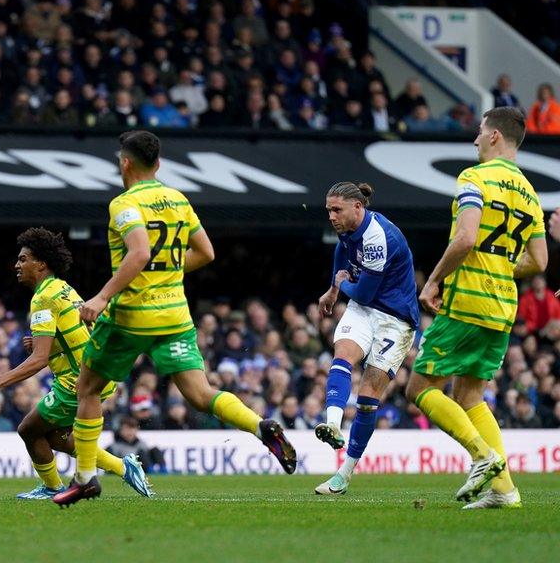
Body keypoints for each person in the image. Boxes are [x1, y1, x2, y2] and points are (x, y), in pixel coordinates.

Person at [53, 131, 296, 507]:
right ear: (159, 164)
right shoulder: (177, 199)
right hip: (175, 315)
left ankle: (85, 477)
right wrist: (167, 276)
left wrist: (102, 296)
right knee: (200, 395)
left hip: (130, 317)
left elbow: (139, 252)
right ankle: (260, 426)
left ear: (125, 162)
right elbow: (207, 252)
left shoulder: (125, 203)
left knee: (87, 389)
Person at [406, 107, 547, 509]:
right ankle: (505, 491)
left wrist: (433, 280)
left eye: (479, 133)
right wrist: (502, 267)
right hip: (503, 306)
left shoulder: (474, 178)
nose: (474, 140)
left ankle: (482, 455)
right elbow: (538, 261)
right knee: (471, 395)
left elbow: (465, 238)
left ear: (495, 137)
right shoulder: (530, 193)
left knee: (419, 388)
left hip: (467, 299)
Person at [0, 227, 153, 500]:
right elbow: (77, 330)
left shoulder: (43, 298)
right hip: (95, 372)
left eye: (24, 259)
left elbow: (39, 360)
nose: (17, 265)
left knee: (29, 429)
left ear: (41, 264)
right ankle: (123, 466)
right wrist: (44, 341)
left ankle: (53, 487)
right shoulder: (63, 289)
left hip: (76, 381)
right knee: (57, 437)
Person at [313, 182, 420, 495]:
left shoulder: (378, 238)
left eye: (337, 210)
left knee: (368, 393)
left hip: (395, 320)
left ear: (357, 207)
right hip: (364, 310)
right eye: (328, 210)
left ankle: (344, 474)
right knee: (342, 354)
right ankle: (332, 423)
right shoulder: (348, 227)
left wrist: (342, 287)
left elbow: (362, 291)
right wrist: (334, 288)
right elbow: (341, 248)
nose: (331, 216)